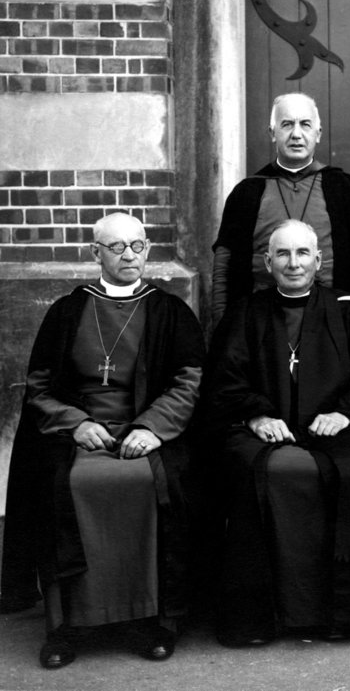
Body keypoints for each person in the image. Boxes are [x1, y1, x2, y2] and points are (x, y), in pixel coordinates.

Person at [0, 213, 205, 668]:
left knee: (152, 486)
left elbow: (189, 380)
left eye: (138, 245)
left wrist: (151, 428)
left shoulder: (170, 311)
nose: (129, 255)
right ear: (96, 253)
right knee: (63, 486)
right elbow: (39, 383)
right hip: (79, 435)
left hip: (148, 433)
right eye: (117, 247)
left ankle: (151, 621)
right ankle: (67, 626)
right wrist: (74, 424)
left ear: (148, 249)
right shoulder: (67, 311)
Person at [205, 219, 350, 646]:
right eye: (282, 254)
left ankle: (342, 613)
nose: (293, 263)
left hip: (334, 427)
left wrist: (343, 413)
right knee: (253, 477)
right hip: (264, 428)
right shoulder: (246, 311)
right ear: (267, 262)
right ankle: (256, 618)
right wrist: (255, 417)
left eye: (303, 253)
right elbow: (225, 380)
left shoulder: (346, 309)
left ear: (319, 260)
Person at [211, 92, 350, 326]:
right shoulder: (247, 192)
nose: (296, 134)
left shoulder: (345, 188)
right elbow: (223, 268)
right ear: (272, 133)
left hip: (332, 320)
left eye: (305, 124)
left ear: (317, 134)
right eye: (287, 124)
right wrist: (224, 328)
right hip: (261, 323)